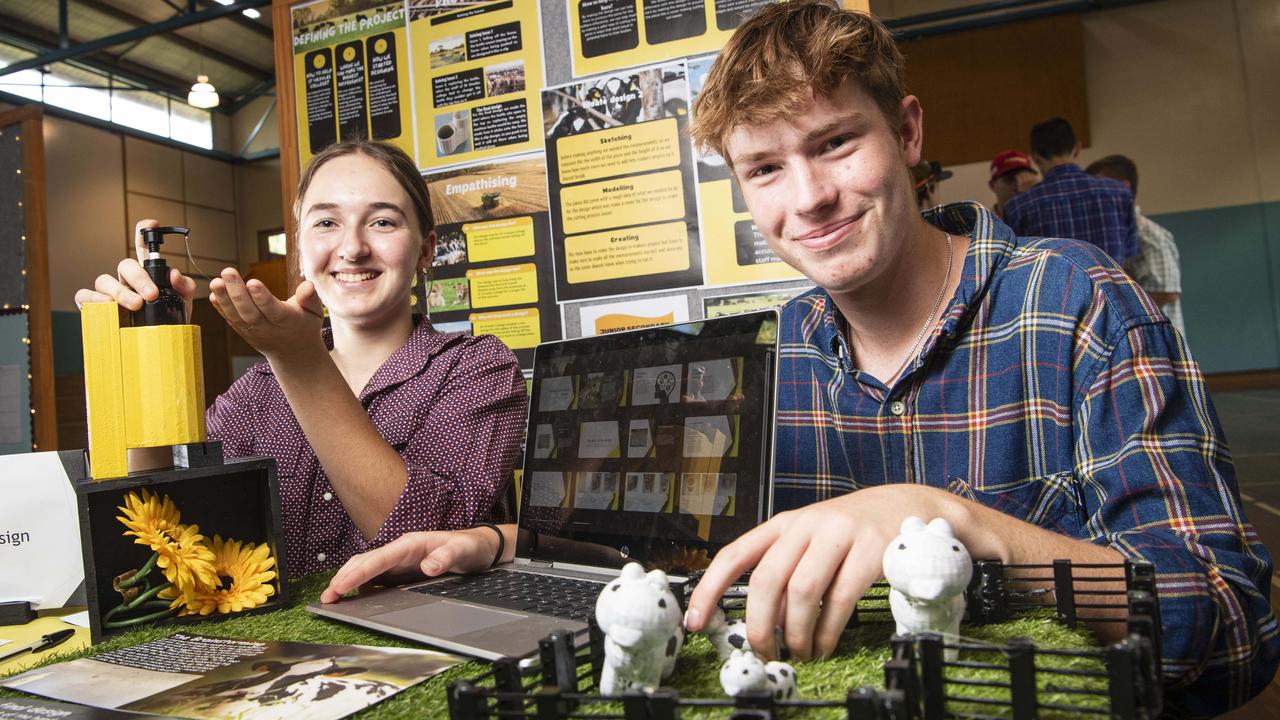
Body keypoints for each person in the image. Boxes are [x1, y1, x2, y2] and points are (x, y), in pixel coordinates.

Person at [323, 4, 1278, 714]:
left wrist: (949, 521)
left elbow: (1230, 622)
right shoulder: (778, 353)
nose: (810, 196)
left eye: (835, 142)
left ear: (906, 134)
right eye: (767, 169)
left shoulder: (1076, 304)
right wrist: (496, 547)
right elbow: (673, 557)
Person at [75, 140, 528, 576]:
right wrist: (149, 354)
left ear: (426, 249)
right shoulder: (258, 391)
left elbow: (426, 545)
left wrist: (301, 362)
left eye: (383, 223)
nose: (352, 248)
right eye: (326, 223)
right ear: (300, 248)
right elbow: (161, 519)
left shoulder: (479, 368)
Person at [1002, 117, 1138, 265]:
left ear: (1034, 155)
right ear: (1077, 148)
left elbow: (1016, 269)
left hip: (1055, 288)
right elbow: (1130, 253)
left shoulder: (1018, 207)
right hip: (1110, 287)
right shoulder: (1119, 193)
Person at [1086, 154, 1186, 336]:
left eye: (1101, 186)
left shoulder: (1149, 236)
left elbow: (1167, 293)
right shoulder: (1112, 231)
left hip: (1157, 348)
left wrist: (1109, 304)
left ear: (1124, 187)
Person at [987, 149, 1038, 219]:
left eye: (1023, 177)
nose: (1019, 185)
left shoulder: (1039, 211)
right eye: (1010, 179)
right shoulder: (984, 223)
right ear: (992, 185)